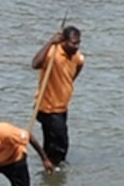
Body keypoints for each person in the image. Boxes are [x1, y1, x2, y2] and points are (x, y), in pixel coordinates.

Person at [30, 28, 84, 167]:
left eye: (78, 43)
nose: (76, 46)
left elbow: (74, 73)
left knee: (51, 142)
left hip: (62, 107)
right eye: (73, 43)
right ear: (64, 41)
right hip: (48, 108)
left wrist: (65, 86)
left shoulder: (78, 57)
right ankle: (56, 168)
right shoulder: (52, 53)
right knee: (61, 143)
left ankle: (48, 164)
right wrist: (50, 42)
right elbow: (35, 64)